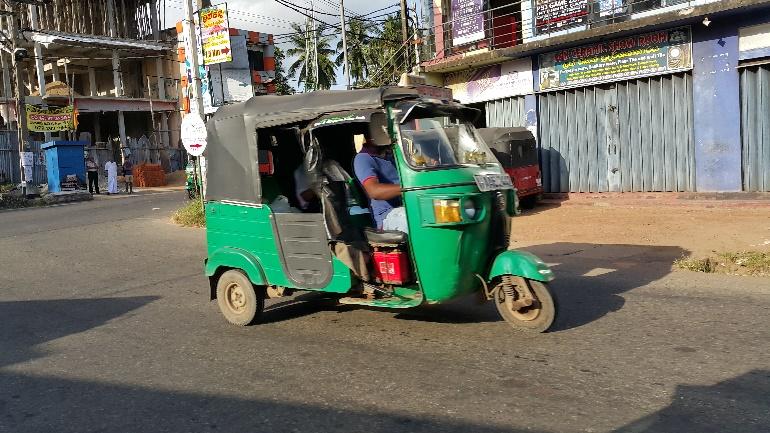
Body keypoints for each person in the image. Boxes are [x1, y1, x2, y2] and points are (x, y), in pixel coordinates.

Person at [353, 139, 408, 233]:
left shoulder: (394, 156)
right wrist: (410, 188)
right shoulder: (363, 158)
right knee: (416, 218)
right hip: (388, 215)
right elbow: (374, 191)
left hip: (409, 205)